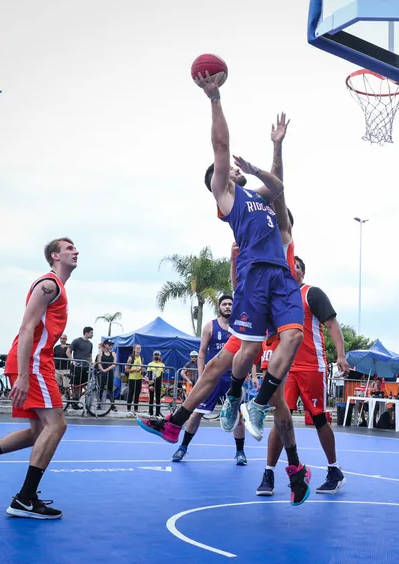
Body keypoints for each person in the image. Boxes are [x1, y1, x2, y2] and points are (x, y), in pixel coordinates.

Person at [139, 92, 310, 505]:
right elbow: (221, 149)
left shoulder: (277, 223)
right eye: (230, 168)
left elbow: (280, 187)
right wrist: (214, 98)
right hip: (257, 298)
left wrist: (276, 147)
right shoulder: (233, 199)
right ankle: (182, 421)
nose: (234, 167)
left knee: (277, 404)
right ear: (222, 179)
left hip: (275, 299)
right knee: (219, 363)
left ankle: (290, 466)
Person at [0, 237, 78, 520]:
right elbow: (26, 325)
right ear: (55, 256)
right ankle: (25, 498)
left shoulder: (58, 288)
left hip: (34, 362)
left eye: (75, 247)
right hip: (32, 363)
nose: (75, 251)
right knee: (57, 426)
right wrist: (22, 374)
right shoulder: (49, 284)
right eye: (69, 248)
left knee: (37, 433)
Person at [258, 256, 350, 496]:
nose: (292, 268)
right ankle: (268, 473)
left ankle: (334, 470)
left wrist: (341, 355)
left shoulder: (312, 293)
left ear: (302, 273)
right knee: (280, 421)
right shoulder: (277, 298)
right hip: (285, 368)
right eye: (290, 264)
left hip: (311, 366)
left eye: (296, 266)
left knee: (319, 418)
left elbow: (332, 325)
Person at [170, 295, 249, 465]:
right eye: (224, 304)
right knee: (197, 413)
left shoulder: (240, 327)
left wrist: (247, 370)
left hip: (233, 378)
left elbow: (247, 351)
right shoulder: (210, 326)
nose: (228, 306)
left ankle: (240, 452)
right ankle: (182, 447)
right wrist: (201, 376)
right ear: (219, 307)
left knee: (238, 416)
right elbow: (202, 353)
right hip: (214, 377)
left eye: (230, 304)